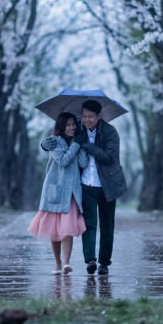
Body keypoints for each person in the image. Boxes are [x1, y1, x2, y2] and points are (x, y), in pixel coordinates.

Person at [43, 100, 128, 275]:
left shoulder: (110, 132)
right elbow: (61, 139)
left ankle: (104, 262)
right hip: (85, 185)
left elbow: (109, 158)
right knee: (88, 225)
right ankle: (90, 260)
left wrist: (88, 146)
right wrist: (44, 144)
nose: (86, 120)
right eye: (84, 116)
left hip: (107, 186)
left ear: (98, 116)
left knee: (107, 225)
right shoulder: (78, 129)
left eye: (91, 116)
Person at [29, 112, 89, 274]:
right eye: (68, 125)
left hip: (71, 194)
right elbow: (63, 161)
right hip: (55, 192)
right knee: (54, 231)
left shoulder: (76, 142)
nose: (72, 127)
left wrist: (81, 145)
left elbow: (83, 163)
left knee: (67, 229)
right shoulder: (54, 142)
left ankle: (66, 263)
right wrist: (76, 145)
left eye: (74, 124)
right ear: (61, 126)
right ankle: (57, 263)